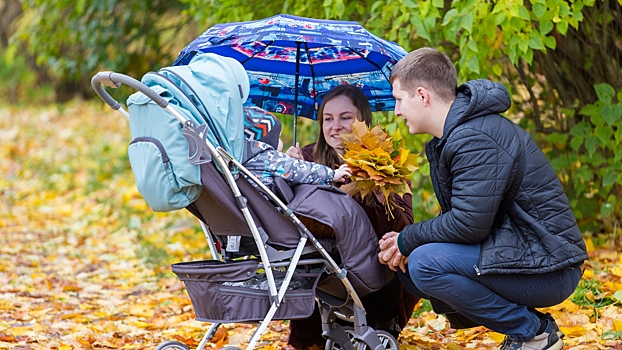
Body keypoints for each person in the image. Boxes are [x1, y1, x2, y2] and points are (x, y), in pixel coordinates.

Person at [378, 47, 588, 350]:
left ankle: (534, 333)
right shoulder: (454, 137)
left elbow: (468, 225)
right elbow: (470, 215)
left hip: (550, 267)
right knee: (412, 264)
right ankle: (526, 331)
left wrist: (409, 238)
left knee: (424, 263)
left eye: (399, 99)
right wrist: (409, 243)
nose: (396, 111)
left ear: (422, 95)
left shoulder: (474, 137)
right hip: (526, 255)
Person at [285, 85, 420, 348]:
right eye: (328, 118)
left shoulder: (386, 164)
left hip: (374, 274)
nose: (335, 126)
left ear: (363, 122)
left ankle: (382, 325)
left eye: (345, 117)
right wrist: (289, 175)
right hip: (322, 271)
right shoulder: (308, 160)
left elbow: (406, 232)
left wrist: (383, 198)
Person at [241, 106, 351, 191]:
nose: (281, 141)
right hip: (271, 209)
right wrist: (332, 174)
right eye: (278, 137)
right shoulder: (271, 159)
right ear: (266, 141)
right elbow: (301, 170)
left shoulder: (239, 160)